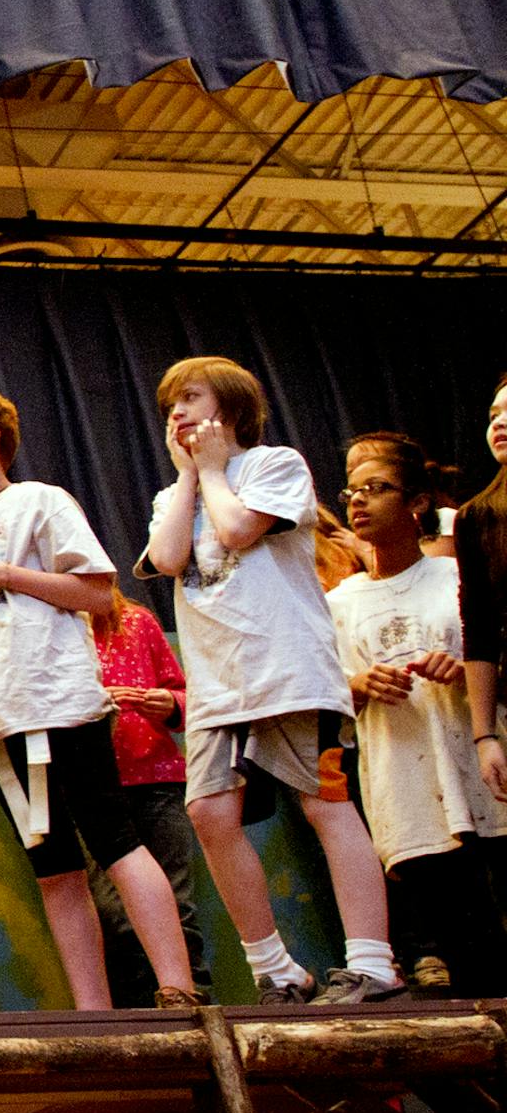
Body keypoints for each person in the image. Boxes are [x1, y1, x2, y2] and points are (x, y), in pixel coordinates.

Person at [0, 382, 200, 1012]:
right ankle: (93, 1013)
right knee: (54, 872)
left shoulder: (40, 501)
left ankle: (179, 988)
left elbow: (97, 593)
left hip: (58, 704)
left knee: (116, 842)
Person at [141, 356, 397, 1004]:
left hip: (290, 672)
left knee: (324, 803)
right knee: (208, 812)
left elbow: (236, 530)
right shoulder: (174, 497)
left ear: (229, 408)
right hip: (218, 687)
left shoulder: (275, 465)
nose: (176, 413)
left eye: (190, 398)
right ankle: (275, 969)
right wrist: (189, 477)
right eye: (170, 405)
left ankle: (373, 963)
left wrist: (212, 471)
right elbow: (167, 558)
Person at [329, 434, 507, 995]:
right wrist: (356, 686)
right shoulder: (339, 602)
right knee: (467, 954)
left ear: (417, 502)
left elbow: (490, 652)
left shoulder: (456, 577)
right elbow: (324, 703)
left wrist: (465, 669)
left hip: (481, 777)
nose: (359, 501)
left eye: (376, 488)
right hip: (407, 788)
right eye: (351, 492)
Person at [86, 588, 210, 1005]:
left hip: (158, 780)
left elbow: (185, 697)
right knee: (113, 914)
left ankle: (192, 1001)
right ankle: (139, 1012)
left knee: (177, 903)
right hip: (92, 788)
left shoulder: (137, 623)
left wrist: (169, 703)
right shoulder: (53, 629)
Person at [456, 375, 507, 810]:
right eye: (493, 416)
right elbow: (480, 630)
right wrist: (485, 735)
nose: (499, 424)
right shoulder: (477, 518)